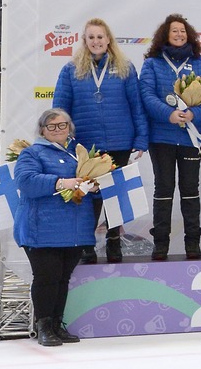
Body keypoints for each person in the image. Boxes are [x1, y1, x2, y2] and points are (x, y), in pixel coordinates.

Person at [52, 17, 147, 264]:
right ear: (85, 40)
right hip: (86, 145)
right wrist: (62, 141)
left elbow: (137, 106)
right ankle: (87, 244)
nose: (96, 41)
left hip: (120, 141)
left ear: (108, 40)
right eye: (91, 37)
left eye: (100, 37)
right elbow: (60, 109)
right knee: (90, 197)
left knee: (114, 196)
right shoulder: (71, 70)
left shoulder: (125, 67)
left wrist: (141, 138)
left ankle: (114, 241)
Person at [13, 109, 96, 346]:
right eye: (52, 126)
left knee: (62, 278)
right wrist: (60, 182)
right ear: (42, 130)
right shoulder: (31, 153)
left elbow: (83, 188)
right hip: (41, 229)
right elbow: (25, 182)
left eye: (62, 125)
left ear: (70, 127)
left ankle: (57, 324)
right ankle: (43, 326)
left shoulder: (79, 155)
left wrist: (93, 185)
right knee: (46, 278)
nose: (58, 130)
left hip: (74, 230)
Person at [139, 14, 201, 261]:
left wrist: (194, 113)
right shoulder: (152, 63)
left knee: (190, 191)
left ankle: (192, 243)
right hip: (161, 137)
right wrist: (169, 114)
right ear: (165, 34)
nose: (179, 35)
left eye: (183, 31)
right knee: (163, 190)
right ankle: (160, 243)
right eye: (174, 31)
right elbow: (147, 96)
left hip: (190, 138)